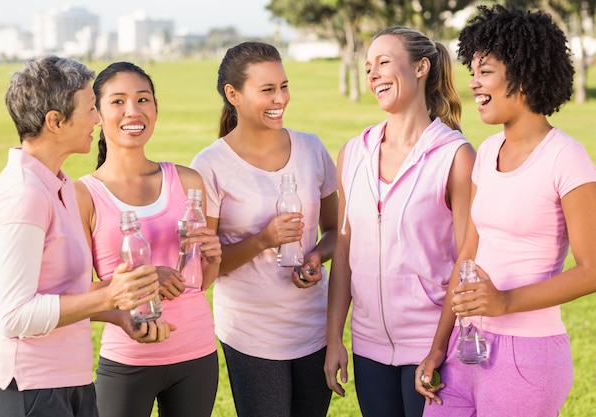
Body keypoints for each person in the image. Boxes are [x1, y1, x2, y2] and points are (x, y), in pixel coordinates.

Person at [415, 5, 596, 417]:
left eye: (485, 71)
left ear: (523, 74)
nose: (473, 83)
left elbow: (592, 269)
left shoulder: (567, 158)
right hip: (467, 346)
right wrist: (438, 345)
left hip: (528, 356)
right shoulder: (487, 151)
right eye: (472, 71)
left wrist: (505, 302)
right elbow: (468, 255)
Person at [0, 55, 160, 417]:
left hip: (69, 382)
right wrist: (109, 294)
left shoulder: (58, 185)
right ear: (55, 121)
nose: (97, 119)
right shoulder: (24, 193)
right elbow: (14, 314)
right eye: (91, 109)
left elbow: (60, 292)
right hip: (26, 389)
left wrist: (116, 311)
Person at [324, 27, 475, 417]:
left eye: (384, 63)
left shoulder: (454, 157)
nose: (373, 75)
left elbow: (467, 260)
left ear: (422, 67)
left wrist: (438, 347)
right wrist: (334, 339)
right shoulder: (352, 154)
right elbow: (344, 251)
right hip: (368, 345)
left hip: (431, 343)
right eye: (369, 66)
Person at [190, 41, 339, 417]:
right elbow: (205, 268)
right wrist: (263, 240)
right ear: (233, 94)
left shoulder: (312, 149)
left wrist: (316, 257)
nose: (281, 99)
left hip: (312, 327)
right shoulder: (210, 165)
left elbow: (336, 231)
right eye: (268, 89)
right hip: (251, 334)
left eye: (284, 86)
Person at [74, 61, 222, 417]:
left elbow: (199, 283)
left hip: (197, 354)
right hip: (128, 357)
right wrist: (144, 279)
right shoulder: (84, 194)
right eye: (118, 101)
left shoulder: (188, 181)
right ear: (96, 113)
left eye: (143, 100)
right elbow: (74, 294)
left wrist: (213, 258)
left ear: (155, 109)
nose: (133, 111)